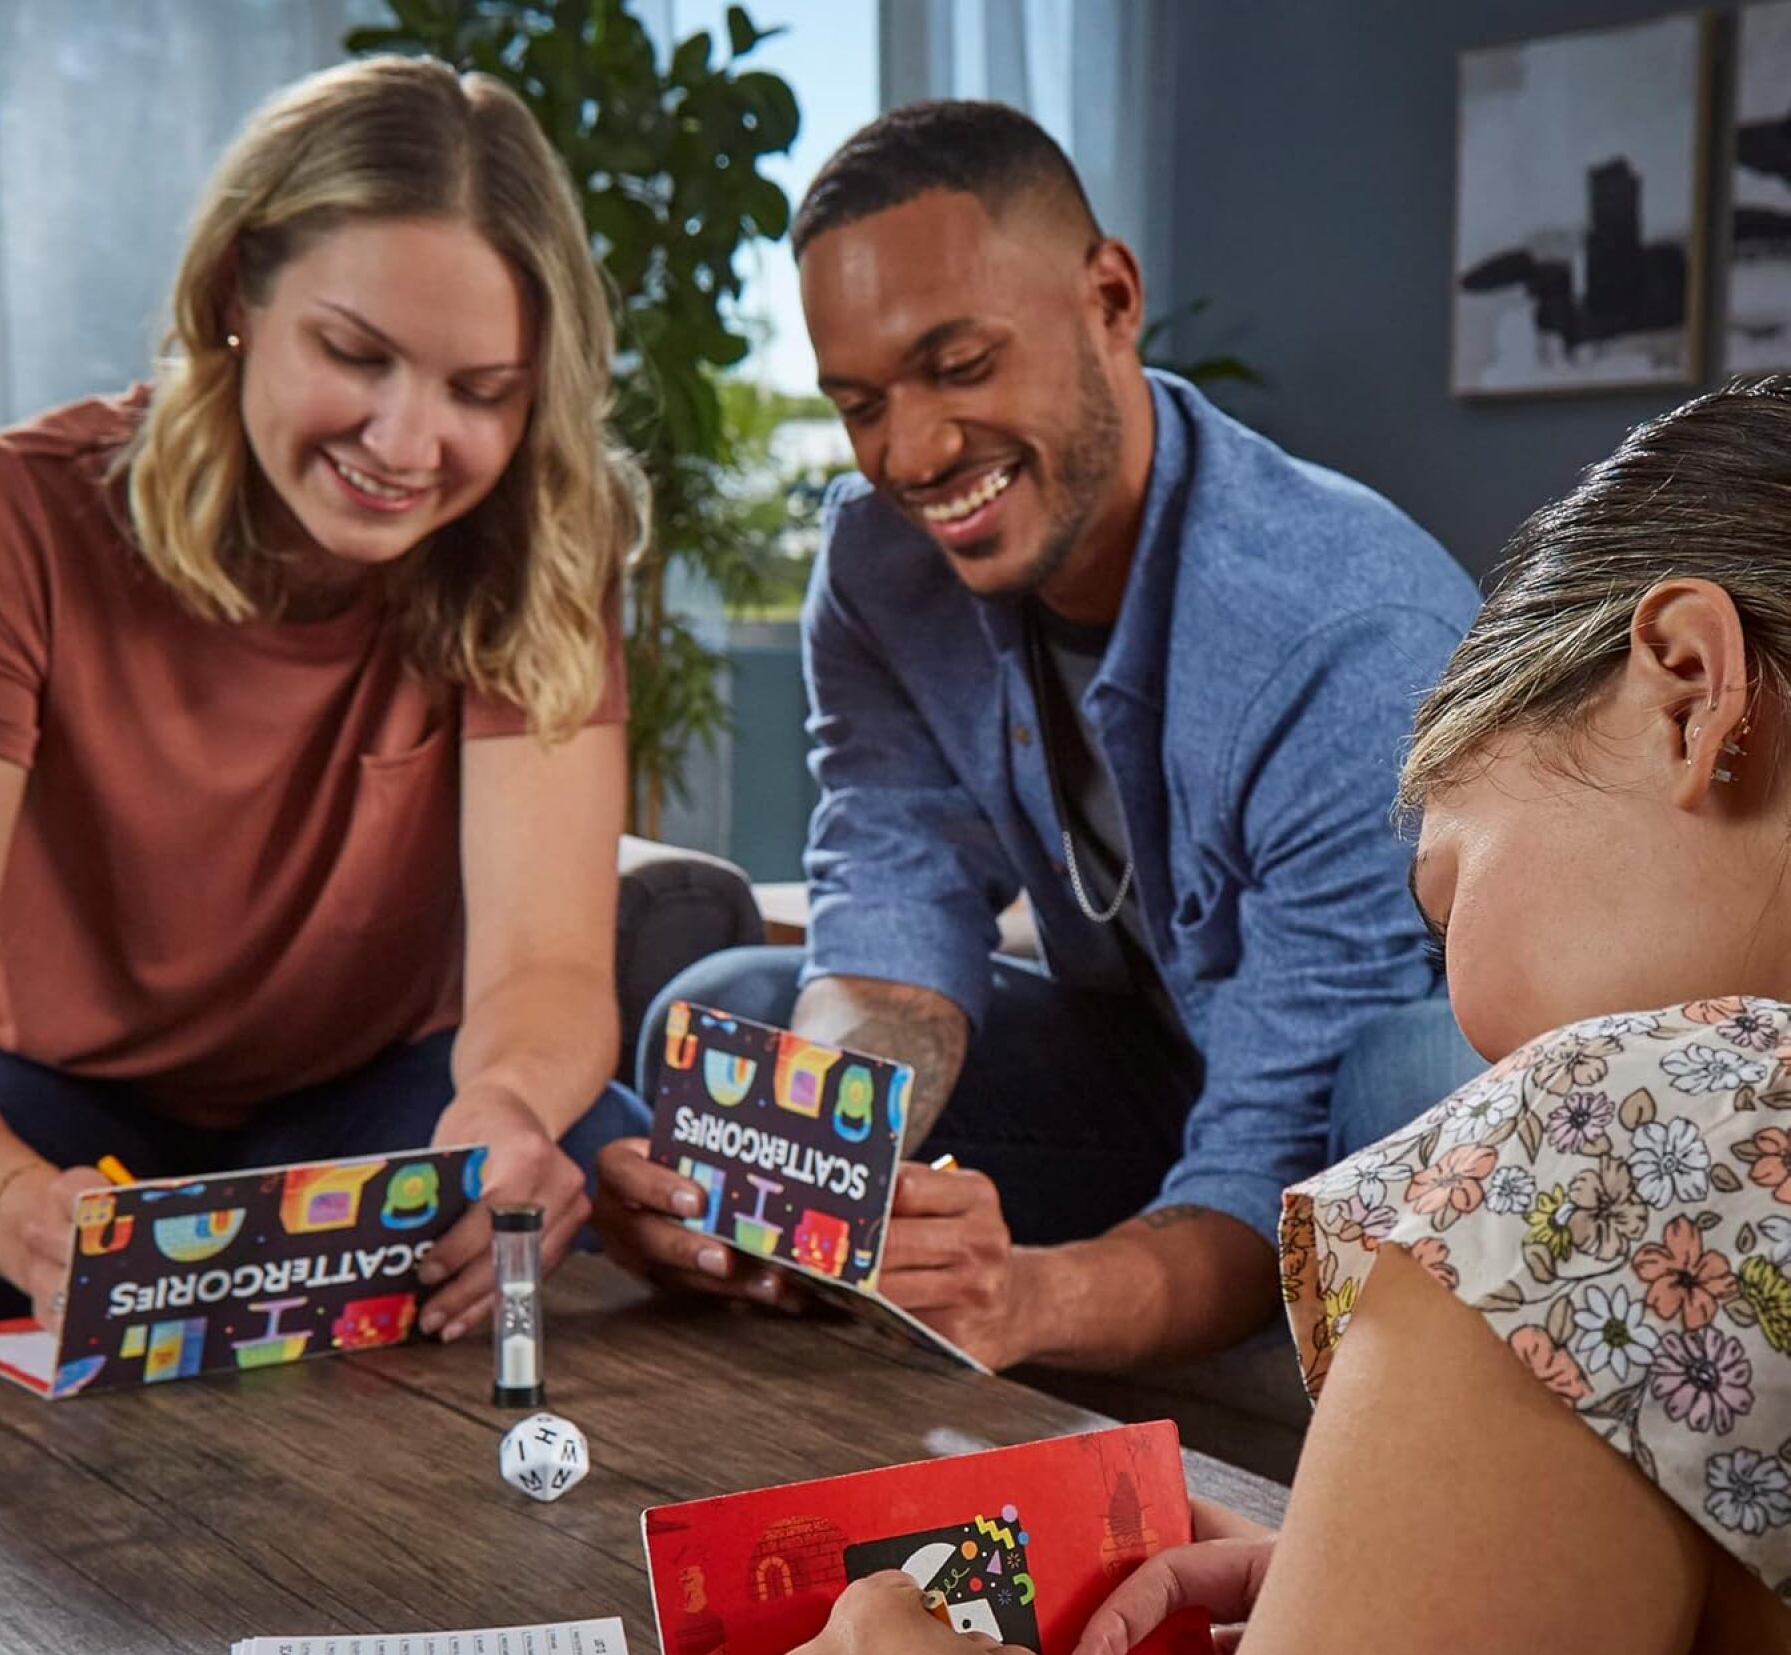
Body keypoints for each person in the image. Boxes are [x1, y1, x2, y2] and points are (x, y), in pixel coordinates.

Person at [761, 378, 1791, 1655]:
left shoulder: (1612, 1148)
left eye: (1446, 897)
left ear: (1687, 689)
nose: (1463, 1005)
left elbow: (1290, 1132)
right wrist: (1430, 1588)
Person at [594, 101, 1481, 1374]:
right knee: (726, 1010)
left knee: (1405, 1068)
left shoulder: (1339, 634)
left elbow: (1280, 1159)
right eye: (859, 403)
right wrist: (803, 1172)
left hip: (1364, 1123)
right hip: (1141, 1063)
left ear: (1110, 297)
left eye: (958, 367)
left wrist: (1027, 1301)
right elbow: (892, 898)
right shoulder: (875, 564)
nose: (909, 454)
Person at [0, 57, 647, 1351]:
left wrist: (511, 1109)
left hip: (363, 1110)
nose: (408, 447)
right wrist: (17, 1210)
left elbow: (547, 970)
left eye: (483, 393)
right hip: (37, 1105)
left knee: (591, 1148)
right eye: (355, 354)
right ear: (237, 292)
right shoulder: (6, 515)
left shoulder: (537, 547)